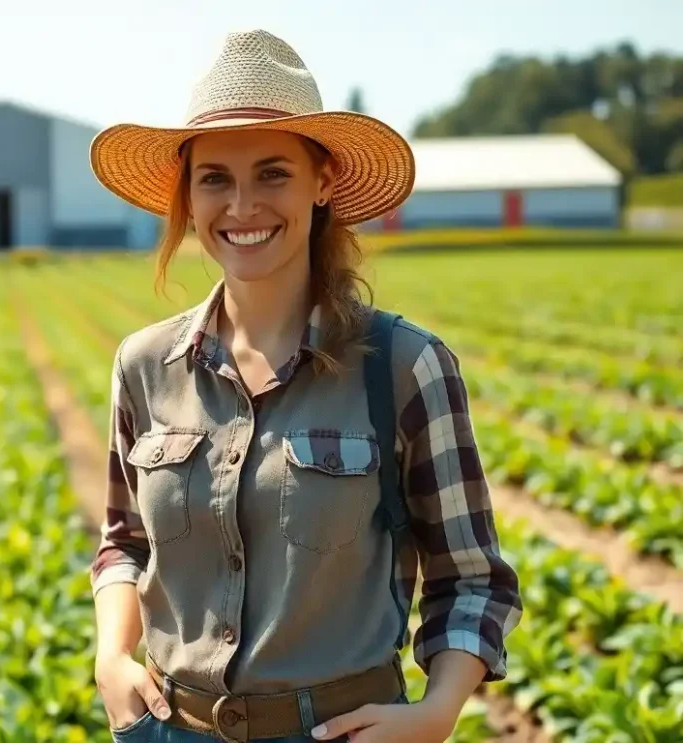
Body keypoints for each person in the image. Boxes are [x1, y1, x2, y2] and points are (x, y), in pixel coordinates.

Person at [86, 30, 523, 743]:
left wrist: (435, 713)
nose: (243, 205)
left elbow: (472, 576)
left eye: (273, 174)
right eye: (216, 179)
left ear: (322, 183)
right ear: (188, 198)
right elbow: (122, 540)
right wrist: (111, 656)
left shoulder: (403, 365)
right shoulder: (144, 364)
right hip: (167, 727)